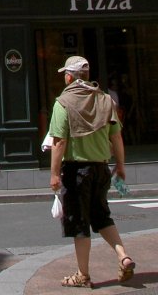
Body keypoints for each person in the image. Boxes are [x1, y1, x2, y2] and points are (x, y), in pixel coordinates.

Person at [49, 55, 136, 288]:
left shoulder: (63, 103)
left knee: (79, 223)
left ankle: (83, 274)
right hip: (100, 168)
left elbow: (59, 142)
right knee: (102, 215)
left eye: (65, 74)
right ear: (86, 76)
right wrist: (120, 166)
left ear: (69, 76)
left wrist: (54, 174)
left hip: (76, 170)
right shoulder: (106, 100)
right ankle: (123, 256)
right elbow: (116, 136)